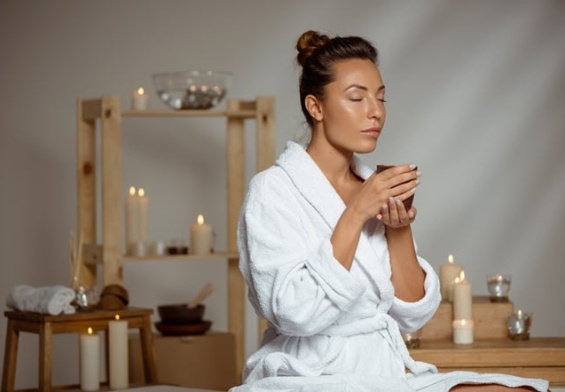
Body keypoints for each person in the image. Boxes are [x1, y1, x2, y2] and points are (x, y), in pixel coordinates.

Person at [230, 30, 549, 392]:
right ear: (315, 107)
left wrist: (399, 230)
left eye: (381, 99)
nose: (376, 112)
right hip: (307, 372)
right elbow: (293, 312)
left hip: (382, 369)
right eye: (356, 98)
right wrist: (355, 214)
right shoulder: (273, 190)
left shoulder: (372, 185)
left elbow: (412, 313)